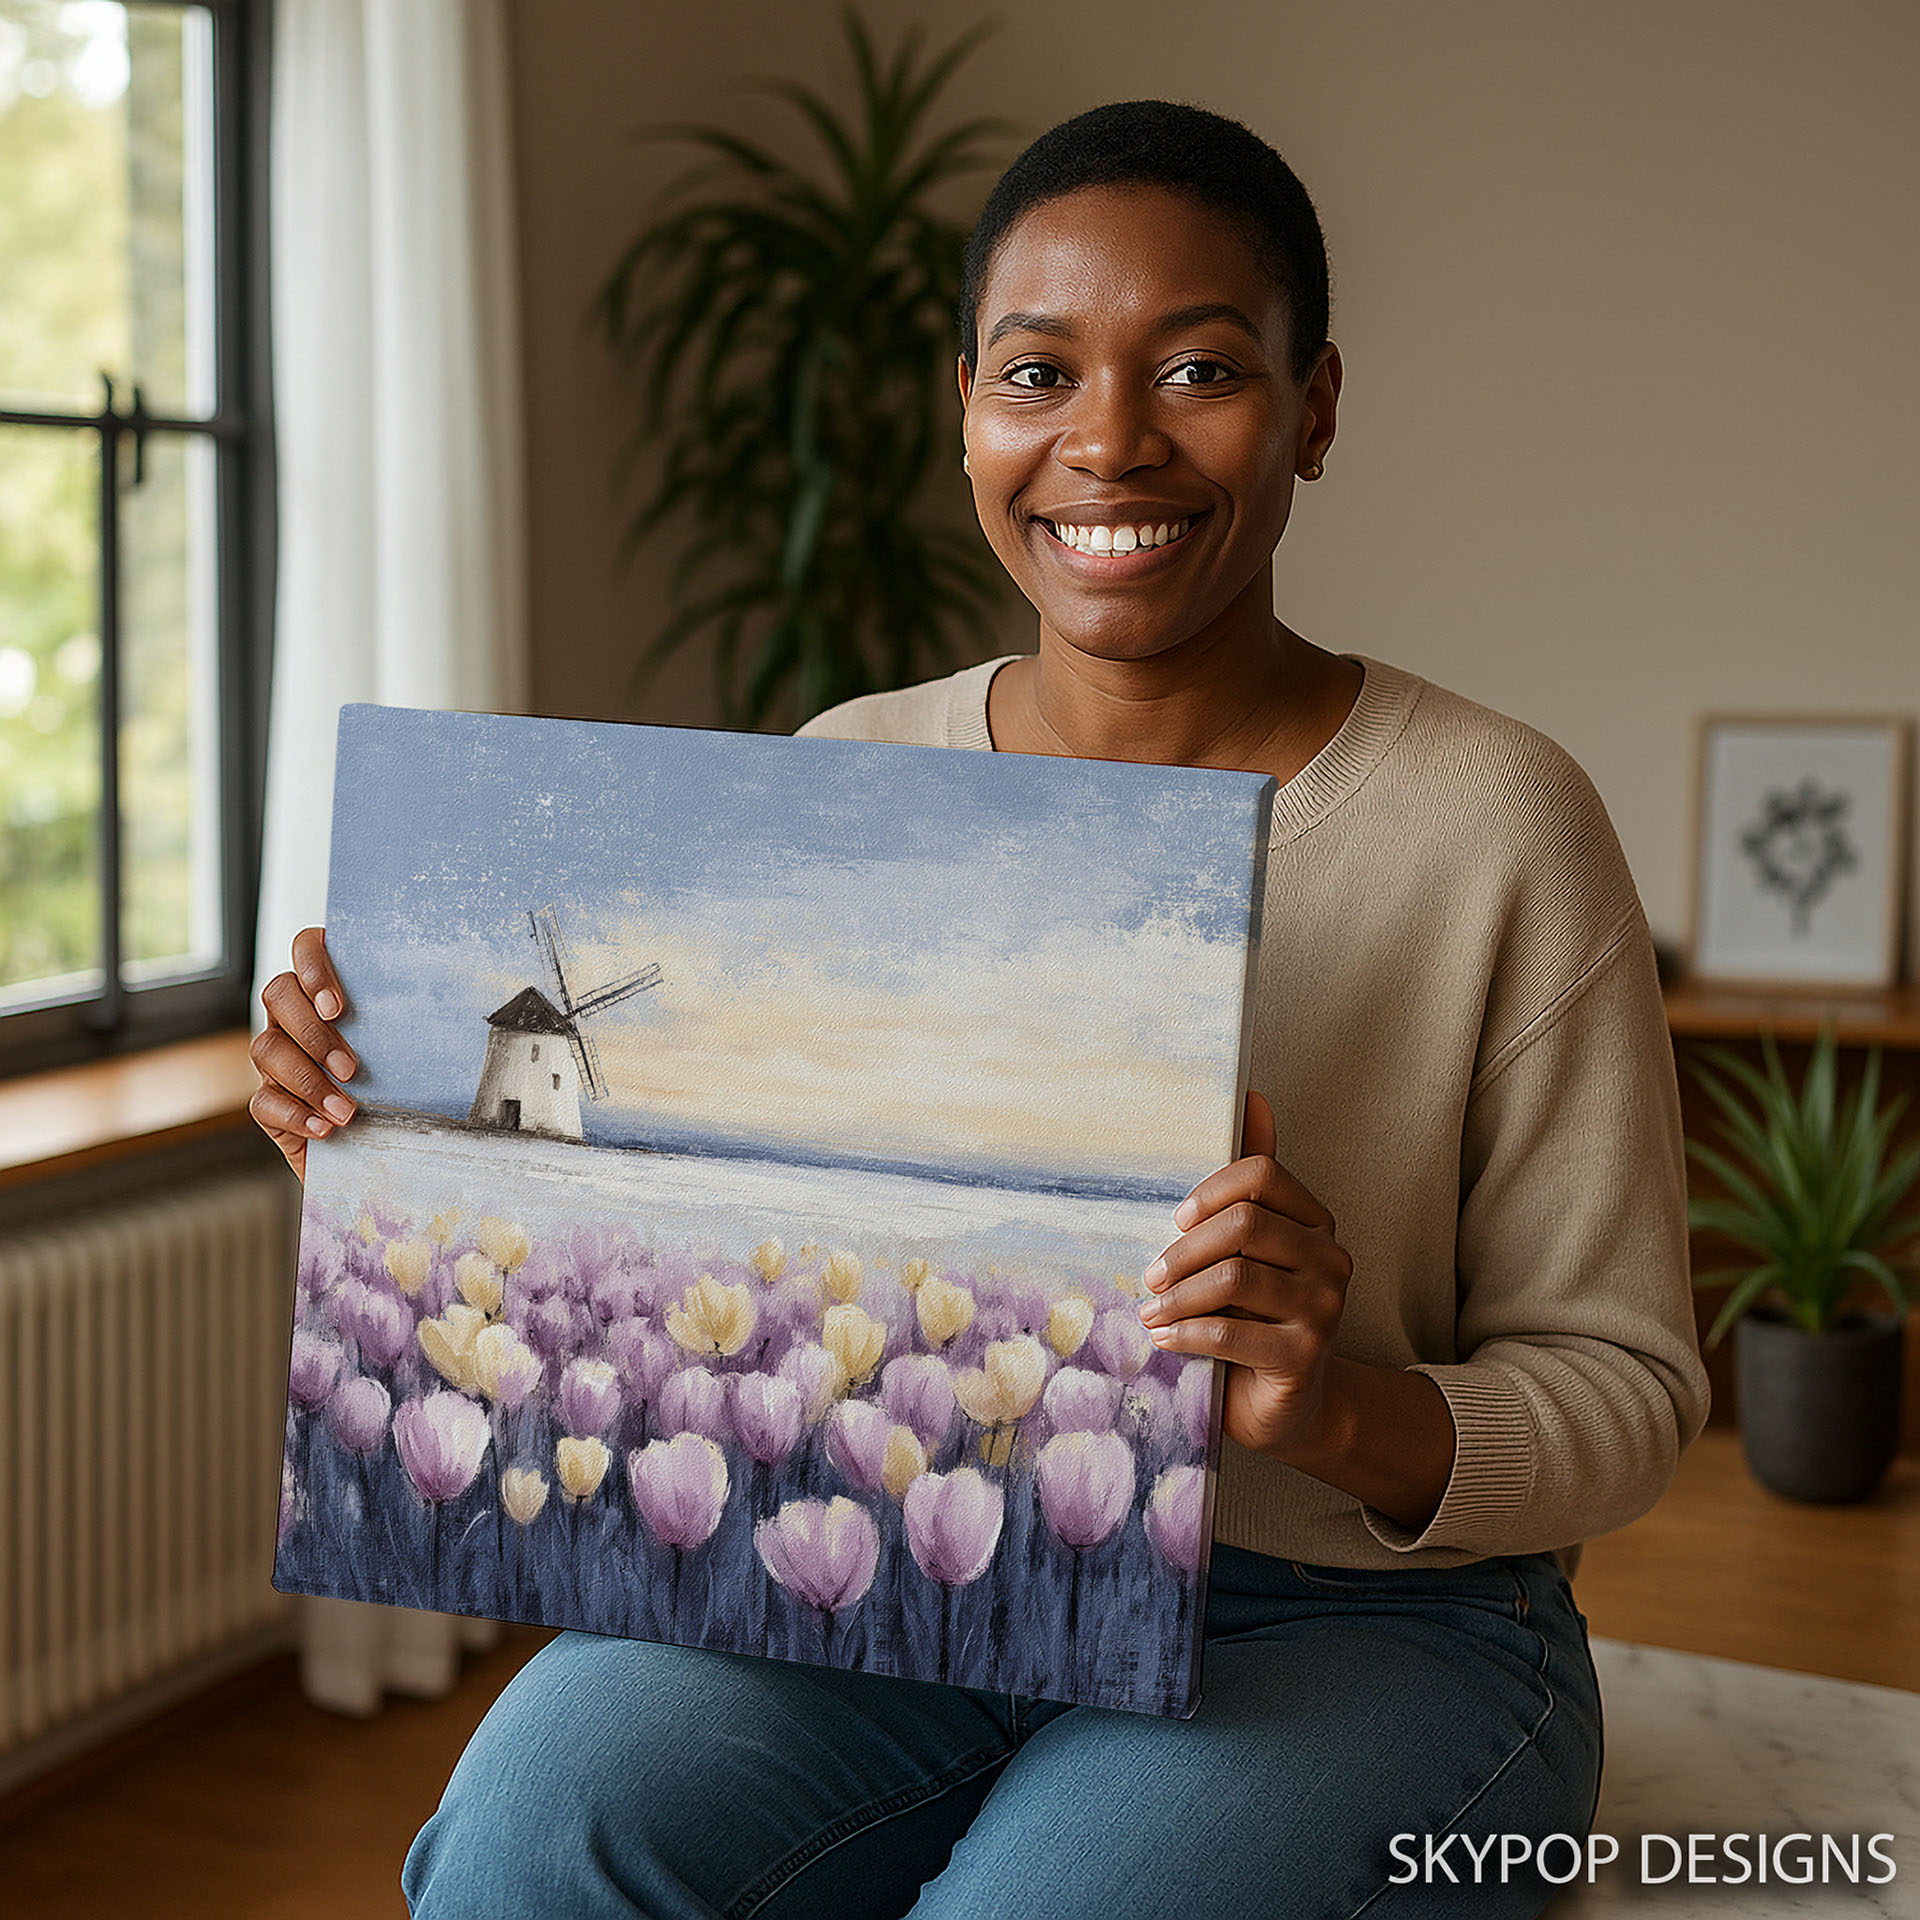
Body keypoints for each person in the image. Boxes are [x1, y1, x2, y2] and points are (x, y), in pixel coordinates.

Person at [252, 101, 1710, 1919]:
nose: (1109, 438)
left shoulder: (1498, 820)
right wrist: (384, 1127)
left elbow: (1633, 1393)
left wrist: (1333, 1409)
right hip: (895, 1576)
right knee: (523, 1842)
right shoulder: (847, 771)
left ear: (1316, 407)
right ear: (967, 412)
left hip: (1365, 1622)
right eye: (1039, 373)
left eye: (1200, 367)